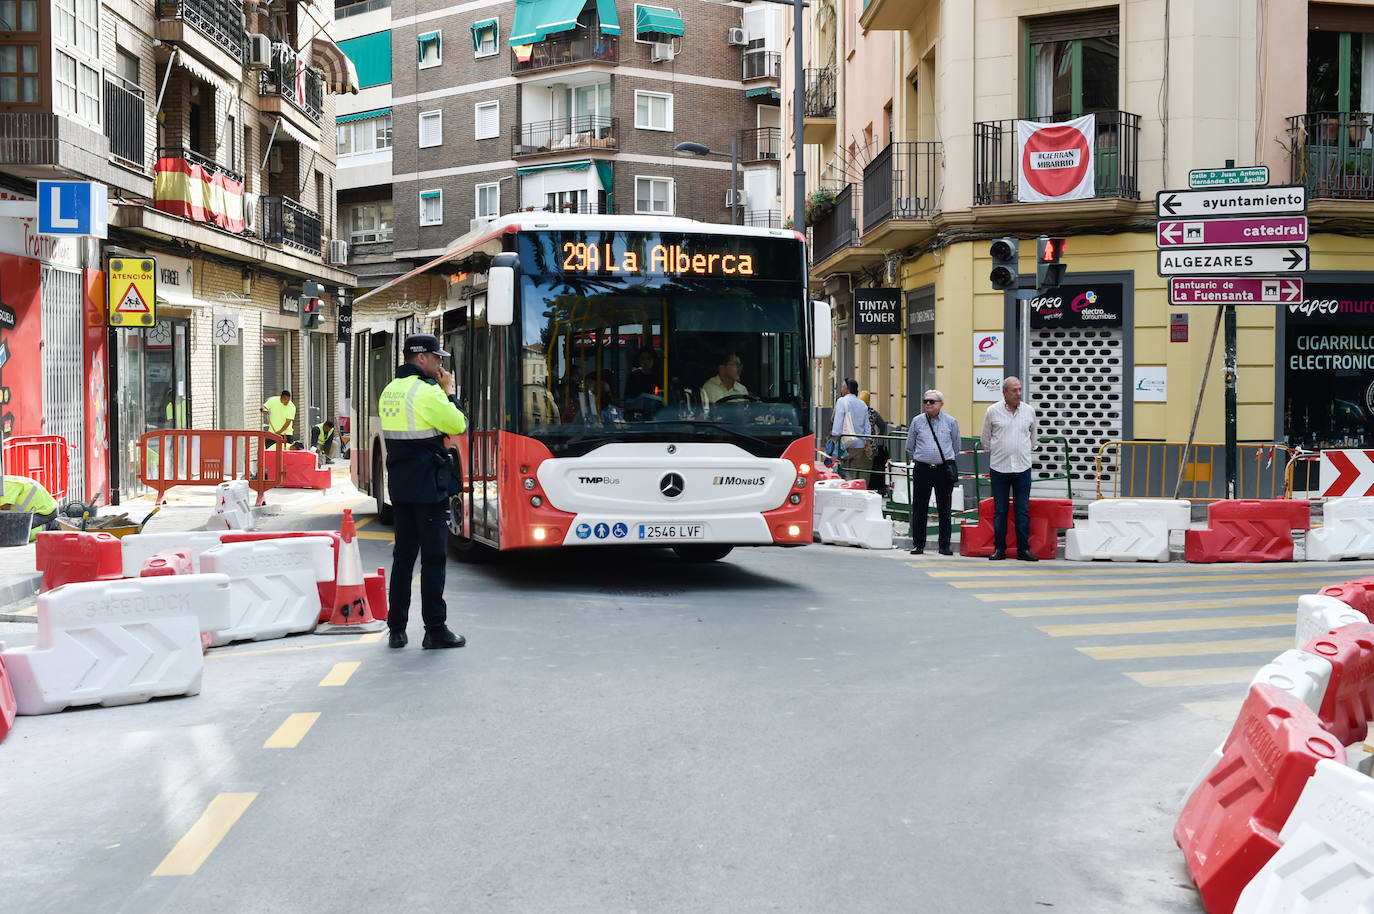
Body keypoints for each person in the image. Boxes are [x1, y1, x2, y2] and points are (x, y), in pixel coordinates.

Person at [380, 334, 469, 649]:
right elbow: (459, 424)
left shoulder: (390, 390)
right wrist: (450, 393)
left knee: (403, 558)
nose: (441, 362)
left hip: (400, 488)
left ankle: (396, 630)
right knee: (433, 558)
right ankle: (435, 629)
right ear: (421, 358)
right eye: (437, 357)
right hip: (429, 488)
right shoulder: (428, 391)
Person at [980, 376, 1039, 562]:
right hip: (1000, 468)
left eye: (1020, 389)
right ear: (1004, 392)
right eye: (1014, 390)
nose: (1018, 393)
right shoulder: (992, 411)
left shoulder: (1029, 411)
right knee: (1000, 511)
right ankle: (999, 549)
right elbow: (985, 439)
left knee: (1022, 510)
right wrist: (1000, 449)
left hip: (1023, 468)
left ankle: (1024, 550)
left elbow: (1033, 439)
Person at [904, 389, 960, 556]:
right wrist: (923, 457)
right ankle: (918, 544)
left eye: (932, 401)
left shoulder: (951, 422)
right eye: (926, 401)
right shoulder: (917, 421)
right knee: (919, 508)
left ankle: (944, 546)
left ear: (941, 404)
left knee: (945, 508)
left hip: (943, 470)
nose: (928, 404)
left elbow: (956, 446)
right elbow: (910, 446)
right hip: (922, 469)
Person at [830, 378, 872, 482]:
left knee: (840, 471)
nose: (841, 389)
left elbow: (838, 422)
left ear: (847, 389)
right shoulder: (863, 404)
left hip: (844, 443)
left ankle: (843, 489)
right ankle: (851, 487)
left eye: (842, 387)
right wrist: (868, 445)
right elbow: (867, 426)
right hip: (859, 445)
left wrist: (834, 441)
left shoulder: (841, 401)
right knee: (852, 473)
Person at [860, 390, 889, 496]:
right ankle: (864, 490)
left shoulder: (855, 412)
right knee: (866, 470)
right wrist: (878, 435)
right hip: (870, 446)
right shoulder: (872, 412)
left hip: (855, 444)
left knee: (855, 469)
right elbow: (883, 425)